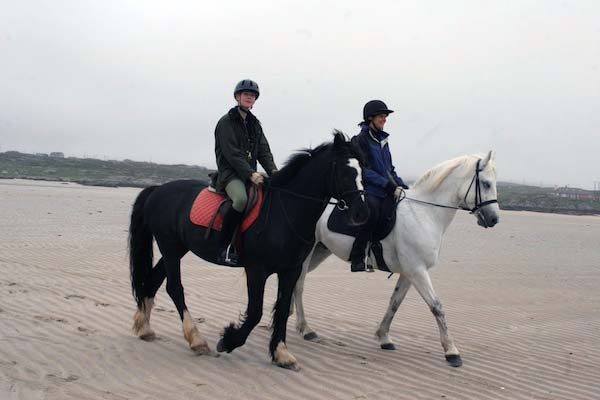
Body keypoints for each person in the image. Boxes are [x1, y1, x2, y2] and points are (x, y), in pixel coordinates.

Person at [213, 79, 278, 266]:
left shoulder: (255, 124)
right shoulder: (226, 122)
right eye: (246, 94)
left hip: (251, 174)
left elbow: (264, 151)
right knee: (241, 200)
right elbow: (232, 154)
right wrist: (250, 174)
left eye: (252, 96)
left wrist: (274, 172)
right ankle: (224, 248)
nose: (249, 97)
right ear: (237, 97)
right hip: (230, 174)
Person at [349, 100, 408, 272]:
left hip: (385, 188)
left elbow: (389, 169)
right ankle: (358, 256)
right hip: (370, 188)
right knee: (372, 213)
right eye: (381, 116)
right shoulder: (361, 140)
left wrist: (402, 186)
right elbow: (364, 170)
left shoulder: (383, 140)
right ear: (370, 118)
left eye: (385, 116)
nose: (384, 119)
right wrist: (389, 186)